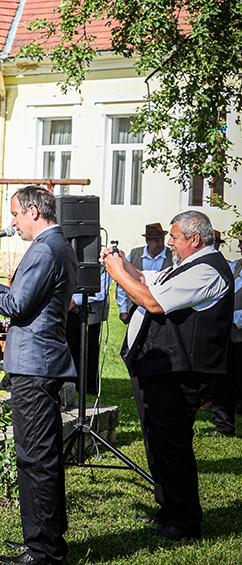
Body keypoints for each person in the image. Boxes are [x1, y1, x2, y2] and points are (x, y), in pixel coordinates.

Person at [0, 186, 76, 565]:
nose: (12, 222)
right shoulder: (59, 244)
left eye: (14, 214)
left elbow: (16, 305)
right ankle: (41, 541)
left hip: (35, 365)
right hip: (39, 363)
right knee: (38, 456)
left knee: (36, 458)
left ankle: (44, 551)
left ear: (32, 211)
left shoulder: (45, 248)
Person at [104, 210, 233, 542]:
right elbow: (151, 280)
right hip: (163, 370)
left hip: (180, 372)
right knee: (158, 443)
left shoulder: (207, 270)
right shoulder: (191, 264)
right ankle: (170, 509)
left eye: (174, 238)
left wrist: (118, 274)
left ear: (194, 239)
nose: (170, 243)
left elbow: (153, 302)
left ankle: (185, 521)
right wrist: (123, 263)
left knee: (171, 446)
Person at [209, 234, 242, 437]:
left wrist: (231, 316)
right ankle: (223, 426)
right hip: (228, 336)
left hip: (239, 333)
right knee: (223, 382)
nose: (239, 244)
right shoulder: (236, 265)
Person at [116, 223, 173, 322]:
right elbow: (122, 282)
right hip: (136, 307)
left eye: (162, 240)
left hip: (161, 309)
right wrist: (123, 309)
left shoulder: (172, 256)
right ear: (147, 241)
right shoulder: (135, 254)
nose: (160, 244)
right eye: (156, 241)